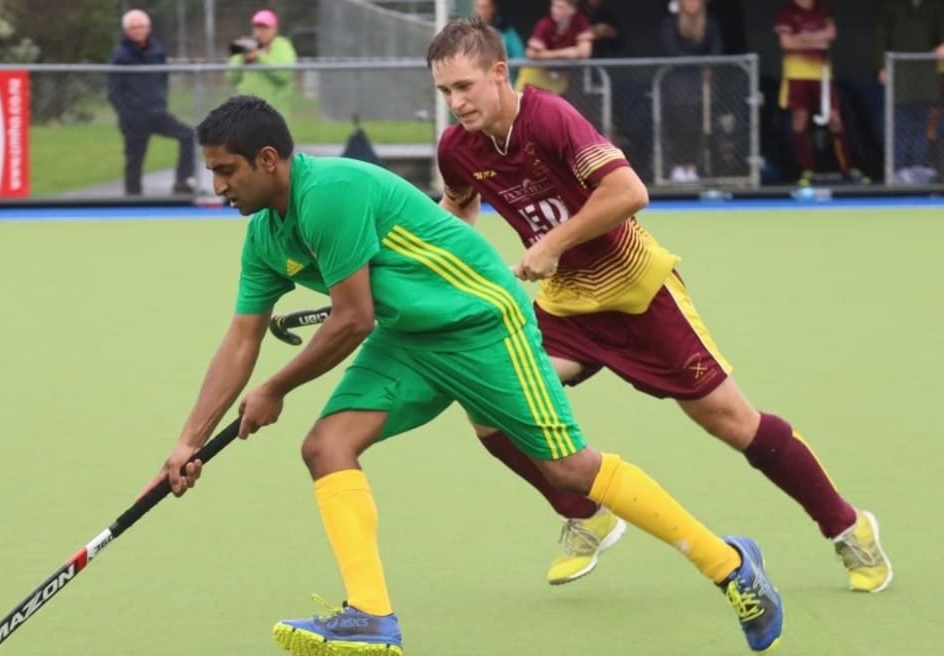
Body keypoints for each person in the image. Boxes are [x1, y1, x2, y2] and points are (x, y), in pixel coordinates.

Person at [155, 94, 784, 655]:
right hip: (410, 337)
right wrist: (189, 439)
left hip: (483, 322)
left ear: (268, 160)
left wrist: (275, 388)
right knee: (327, 446)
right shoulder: (265, 237)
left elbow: (351, 319)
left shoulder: (330, 194)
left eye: (225, 171)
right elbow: (242, 338)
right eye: (212, 171)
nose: (217, 187)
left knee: (569, 468)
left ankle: (730, 566)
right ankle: (371, 617)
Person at [427, 18, 891, 593]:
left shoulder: (548, 117)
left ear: (499, 72)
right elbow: (458, 210)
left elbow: (629, 192)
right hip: (569, 307)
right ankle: (585, 514)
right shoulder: (459, 148)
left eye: (465, 87)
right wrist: (420, 267)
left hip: (639, 293)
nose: (456, 102)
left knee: (732, 423)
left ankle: (848, 527)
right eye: (445, 91)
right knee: (488, 402)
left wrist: (551, 243)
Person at [773, 0, 865, 185]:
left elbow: (831, 34)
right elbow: (787, 43)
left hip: (822, 72)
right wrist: (816, 39)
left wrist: (801, 38)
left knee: (834, 117)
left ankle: (848, 168)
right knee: (800, 119)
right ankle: (806, 170)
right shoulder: (786, 12)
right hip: (796, 73)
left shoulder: (823, 9)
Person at [106, 9, 195, 196]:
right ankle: (133, 197)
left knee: (188, 136)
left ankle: (182, 182)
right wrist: (127, 114)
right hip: (134, 117)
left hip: (157, 113)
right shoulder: (120, 56)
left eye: (141, 27)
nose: (138, 30)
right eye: (133, 27)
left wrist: (160, 102)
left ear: (148, 28)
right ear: (127, 30)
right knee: (135, 159)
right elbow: (114, 90)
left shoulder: (157, 50)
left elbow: (163, 77)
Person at [872, 0, 944, 184]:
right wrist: (881, 66)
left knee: (922, 129)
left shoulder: (935, 6)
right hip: (899, 72)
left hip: (925, 74)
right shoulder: (891, 5)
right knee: (899, 128)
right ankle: (897, 176)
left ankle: (919, 176)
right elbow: (881, 36)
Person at [659, 0, 723, 183]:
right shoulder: (671, 23)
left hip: (701, 81)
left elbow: (716, 48)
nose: (692, 4)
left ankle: (694, 166)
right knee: (679, 124)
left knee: (698, 125)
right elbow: (671, 49)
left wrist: (705, 65)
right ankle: (678, 165)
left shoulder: (709, 22)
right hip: (677, 81)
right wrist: (694, 61)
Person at [226, 9, 297, 117]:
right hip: (246, 113)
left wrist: (259, 57)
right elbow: (231, 78)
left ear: (275, 29)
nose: (260, 32)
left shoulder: (282, 46)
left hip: (274, 114)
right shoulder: (246, 46)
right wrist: (242, 58)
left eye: (265, 28)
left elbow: (284, 75)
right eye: (257, 27)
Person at [514, 0, 593, 96]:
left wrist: (546, 54)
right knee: (524, 106)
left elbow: (584, 52)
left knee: (553, 108)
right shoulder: (545, 24)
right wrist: (565, 53)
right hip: (535, 76)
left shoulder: (580, 21)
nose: (554, 10)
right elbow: (531, 53)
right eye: (553, 6)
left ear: (572, 10)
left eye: (560, 7)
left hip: (559, 76)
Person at [473, 0, 525, 85]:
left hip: (502, 83)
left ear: (493, 8)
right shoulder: (469, 32)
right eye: (479, 7)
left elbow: (520, 56)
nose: (481, 11)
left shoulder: (506, 32)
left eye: (485, 7)